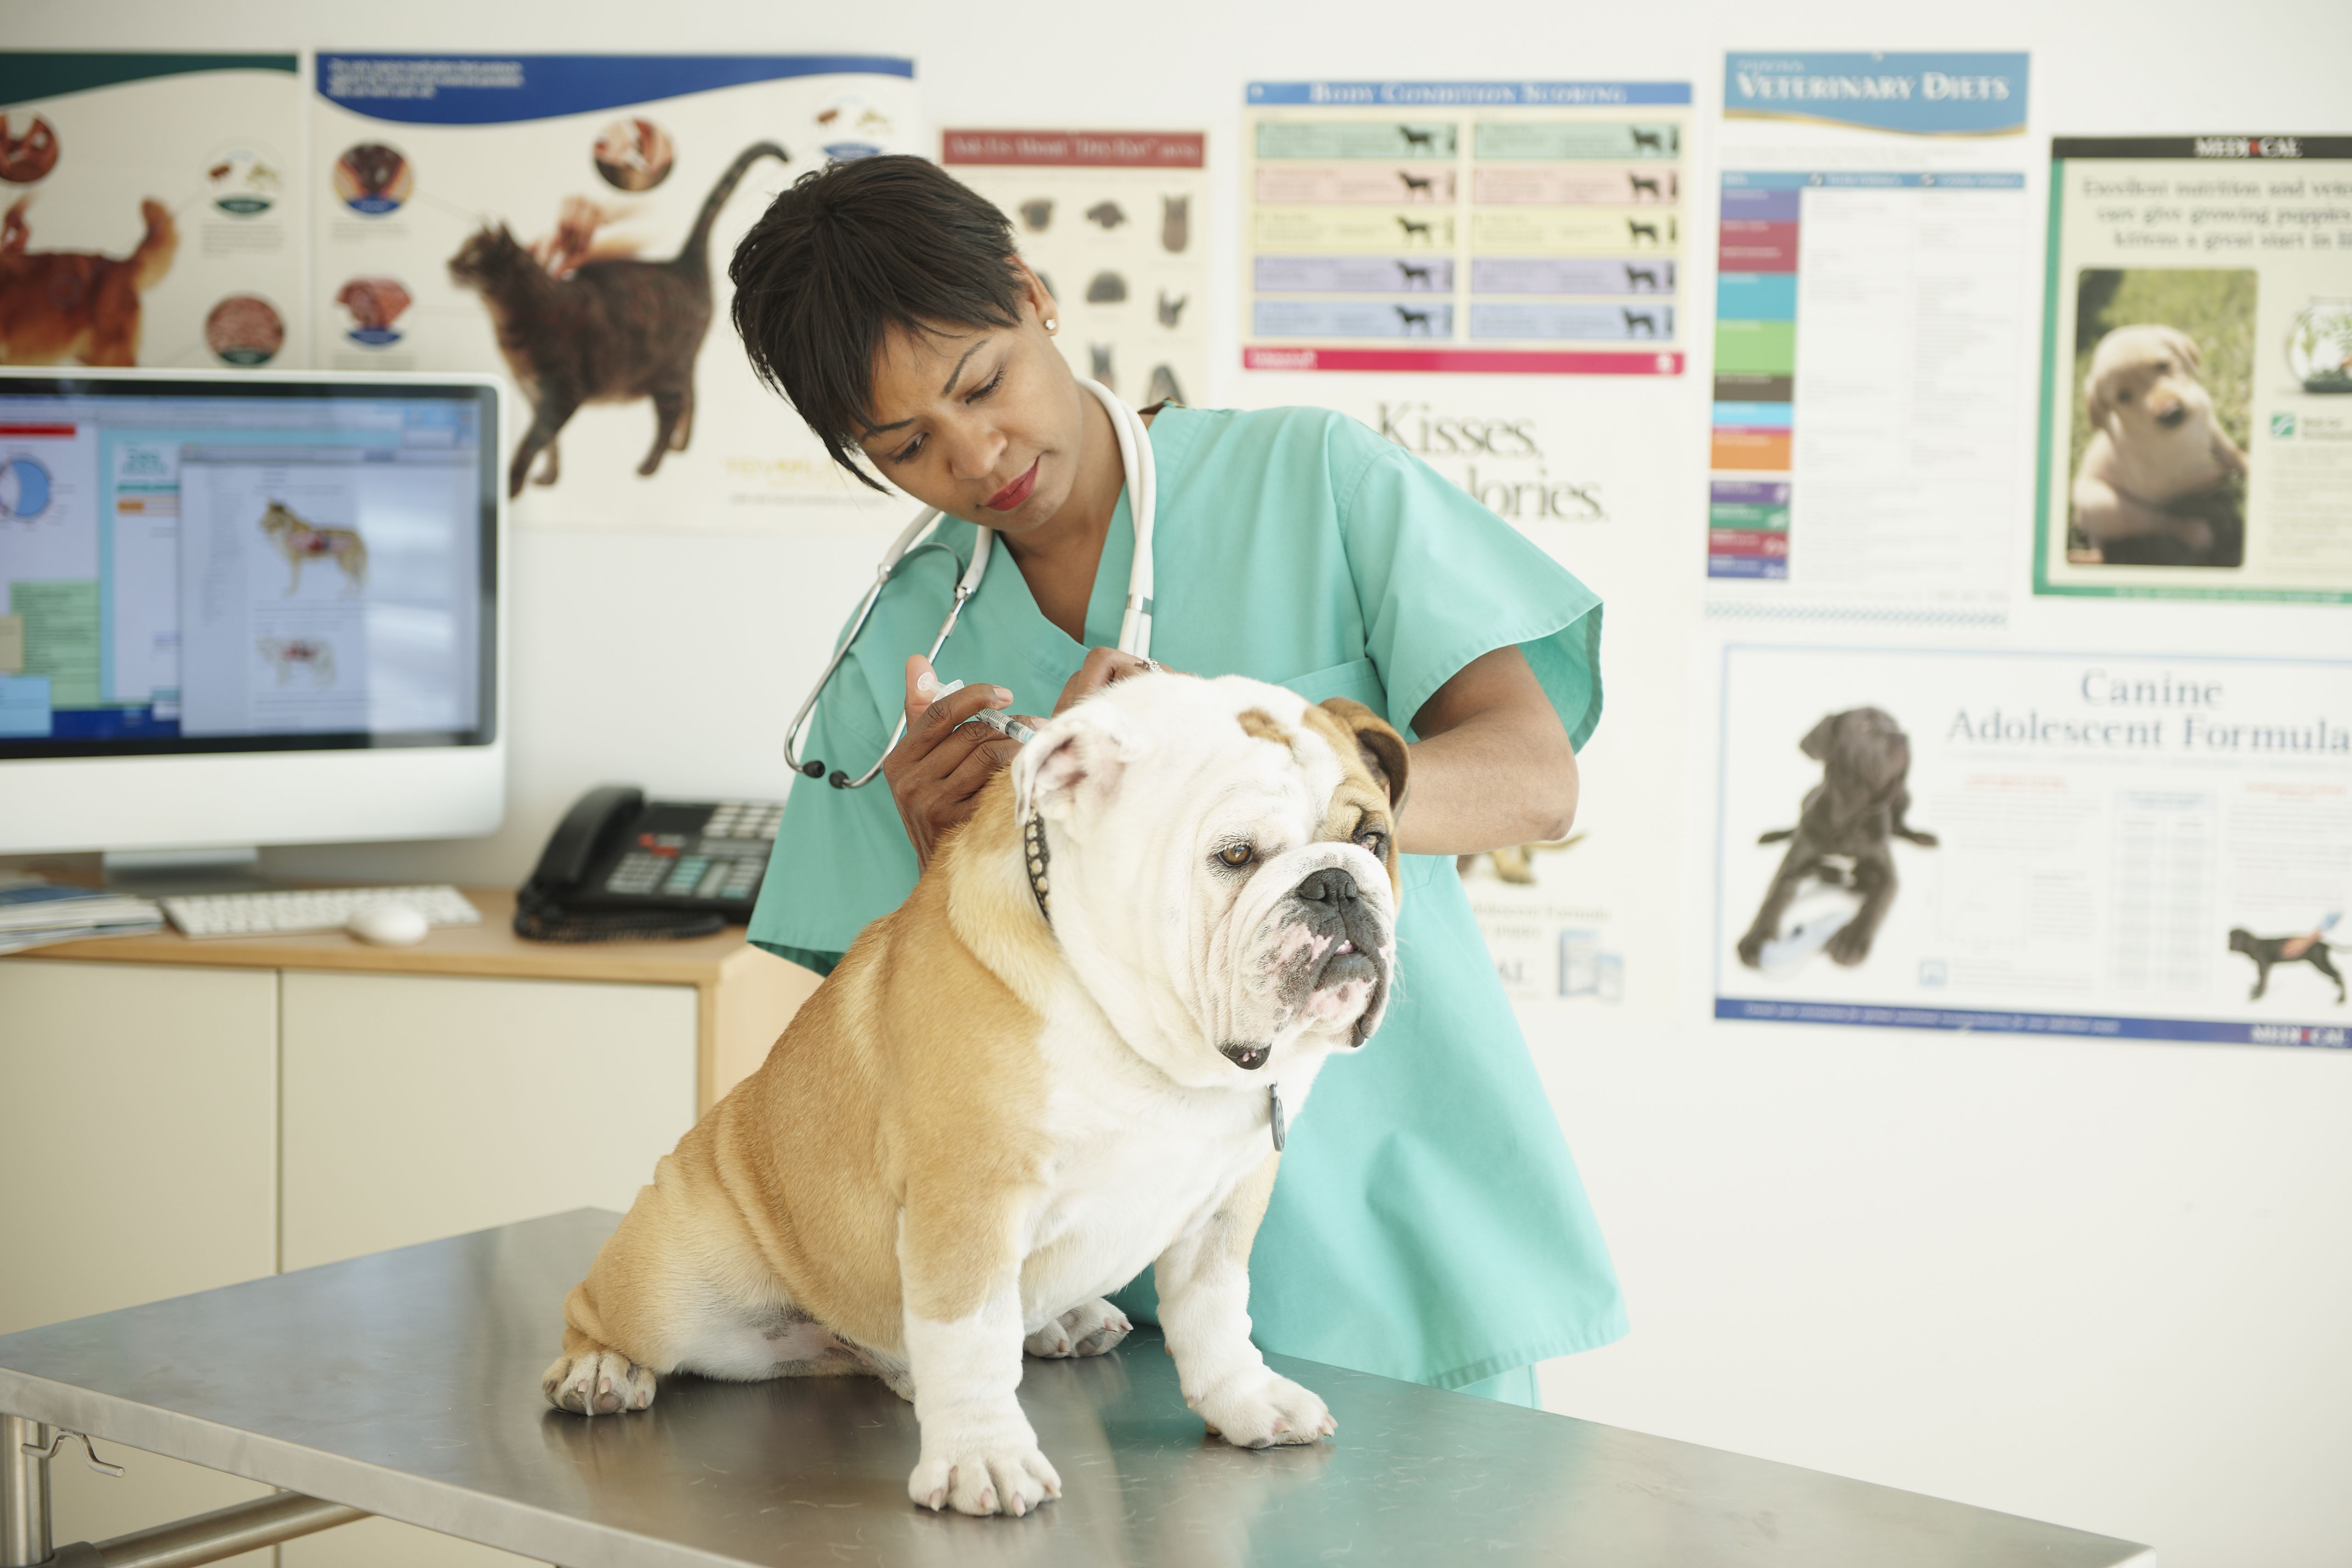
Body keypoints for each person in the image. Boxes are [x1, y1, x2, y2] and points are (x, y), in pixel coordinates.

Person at [729, 155, 1623, 1405]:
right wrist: (949, 863)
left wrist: (1239, 767)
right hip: (1084, 1308)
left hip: (1384, 1244)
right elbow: (882, 1056)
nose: (977, 455)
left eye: (983, 383)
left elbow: (1538, 782)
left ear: (1033, 294)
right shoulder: (905, 650)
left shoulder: (1314, 482)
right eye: (907, 445)